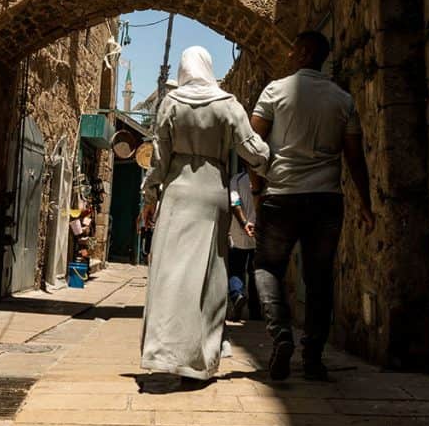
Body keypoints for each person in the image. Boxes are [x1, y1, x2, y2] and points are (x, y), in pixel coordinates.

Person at [140, 46, 270, 389]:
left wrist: (149, 197)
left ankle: (167, 354)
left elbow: (158, 160)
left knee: (172, 276)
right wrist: (275, 160)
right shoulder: (227, 104)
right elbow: (252, 149)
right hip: (213, 192)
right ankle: (200, 359)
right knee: (211, 276)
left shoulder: (171, 103)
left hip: (178, 194)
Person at [250, 30, 374, 383]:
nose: (289, 56)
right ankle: (314, 357)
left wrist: (257, 188)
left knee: (267, 268)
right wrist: (365, 203)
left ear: (304, 52)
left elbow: (253, 144)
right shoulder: (343, 99)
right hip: (326, 200)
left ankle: (281, 334)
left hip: (281, 195)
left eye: (293, 50)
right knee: (319, 278)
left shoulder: (275, 91)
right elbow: (354, 156)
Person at [228, 165, 260, 321]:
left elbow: (235, 203)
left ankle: (237, 295)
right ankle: (255, 311)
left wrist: (244, 223)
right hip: (259, 231)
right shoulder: (264, 178)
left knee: (236, 268)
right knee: (255, 271)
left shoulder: (236, 180)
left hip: (239, 232)